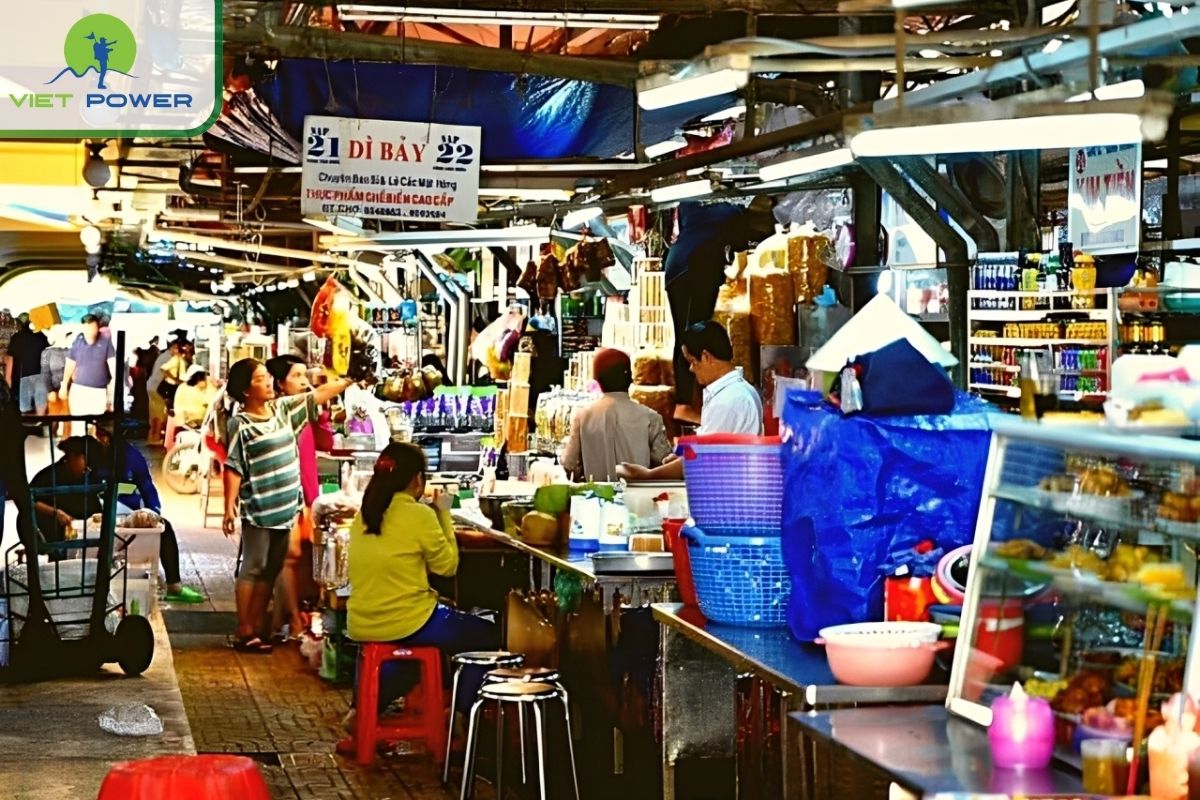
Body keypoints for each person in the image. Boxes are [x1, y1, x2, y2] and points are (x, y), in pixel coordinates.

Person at [345, 442, 496, 728]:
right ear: (417, 480)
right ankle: (460, 716)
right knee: (488, 637)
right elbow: (447, 567)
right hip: (411, 620)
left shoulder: (363, 515)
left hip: (362, 621)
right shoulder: (419, 515)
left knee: (415, 660)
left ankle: (361, 710)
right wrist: (444, 514)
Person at [222, 357, 353, 654]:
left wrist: (347, 381)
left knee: (271, 569)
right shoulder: (239, 424)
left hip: (287, 506)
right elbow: (233, 466)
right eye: (260, 379)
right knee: (253, 567)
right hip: (259, 506)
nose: (268, 382)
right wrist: (229, 507)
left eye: (268, 377)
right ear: (245, 390)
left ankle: (256, 627)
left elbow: (316, 396)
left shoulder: (283, 409)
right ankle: (244, 630)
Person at [665, 198, 776, 422]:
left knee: (690, 334)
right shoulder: (727, 213)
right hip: (691, 270)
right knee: (689, 336)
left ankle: (689, 402)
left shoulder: (707, 212)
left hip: (687, 268)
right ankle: (683, 405)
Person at [618, 321, 763, 481]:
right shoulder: (737, 391)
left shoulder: (729, 400)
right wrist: (678, 460)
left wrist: (647, 475)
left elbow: (703, 460)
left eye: (693, 361)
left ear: (706, 357)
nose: (691, 369)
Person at [90, 425, 205, 603]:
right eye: (99, 434)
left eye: (104, 435)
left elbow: (147, 488)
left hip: (127, 517)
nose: (101, 439)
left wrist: (153, 513)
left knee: (165, 529)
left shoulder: (133, 458)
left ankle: (175, 586)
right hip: (95, 515)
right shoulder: (91, 455)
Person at [265, 355, 321, 640]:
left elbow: (322, 444)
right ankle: (296, 627)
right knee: (290, 558)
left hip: (302, 496)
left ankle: (276, 624)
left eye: (304, 376)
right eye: (297, 376)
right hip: (287, 496)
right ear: (279, 383)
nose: (304, 382)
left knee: (290, 561)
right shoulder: (279, 412)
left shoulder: (300, 411)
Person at [561, 348, 671, 482]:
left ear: (597, 381)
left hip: (594, 499)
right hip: (637, 499)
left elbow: (569, 464)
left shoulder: (582, 416)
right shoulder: (650, 418)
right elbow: (664, 463)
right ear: (630, 379)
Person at [29, 437, 104, 549]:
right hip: (56, 537)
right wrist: (56, 512)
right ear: (73, 456)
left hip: (88, 535)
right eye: (87, 462)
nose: (88, 469)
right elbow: (26, 500)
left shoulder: (90, 476)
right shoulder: (49, 476)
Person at [61, 314, 116, 436]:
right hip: (78, 390)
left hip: (98, 392)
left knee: (94, 427)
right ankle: (79, 453)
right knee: (78, 426)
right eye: (87, 328)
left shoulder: (106, 342)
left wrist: (112, 395)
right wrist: (64, 384)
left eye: (93, 327)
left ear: (97, 328)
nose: (90, 331)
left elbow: (113, 366)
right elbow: (70, 363)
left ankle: (92, 453)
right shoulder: (77, 341)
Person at [6, 313, 50, 419]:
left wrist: (8, 382)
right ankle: (43, 429)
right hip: (41, 376)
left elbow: (10, 361)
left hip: (23, 378)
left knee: (25, 411)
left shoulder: (16, 338)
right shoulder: (42, 336)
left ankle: (27, 430)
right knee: (41, 409)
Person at [41, 328, 71, 439]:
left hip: (67, 389)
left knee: (68, 418)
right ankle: (52, 440)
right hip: (53, 389)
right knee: (54, 417)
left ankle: (66, 441)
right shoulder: (47, 352)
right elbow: (45, 373)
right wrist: (49, 390)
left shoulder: (69, 351)